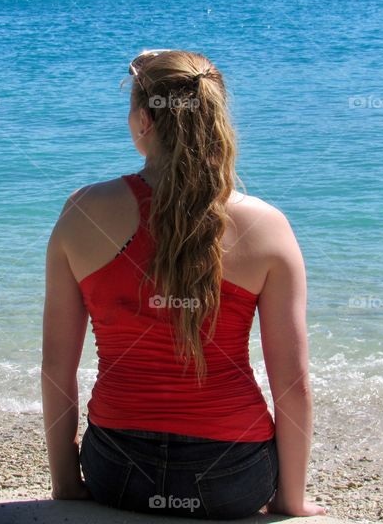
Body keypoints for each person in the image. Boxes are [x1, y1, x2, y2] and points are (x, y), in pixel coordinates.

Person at [42, 49, 325, 519]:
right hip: (233, 476)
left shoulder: (82, 212)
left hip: (117, 470)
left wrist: (67, 482)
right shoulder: (266, 225)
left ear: (143, 121)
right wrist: (289, 502)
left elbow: (56, 364)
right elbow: (291, 386)